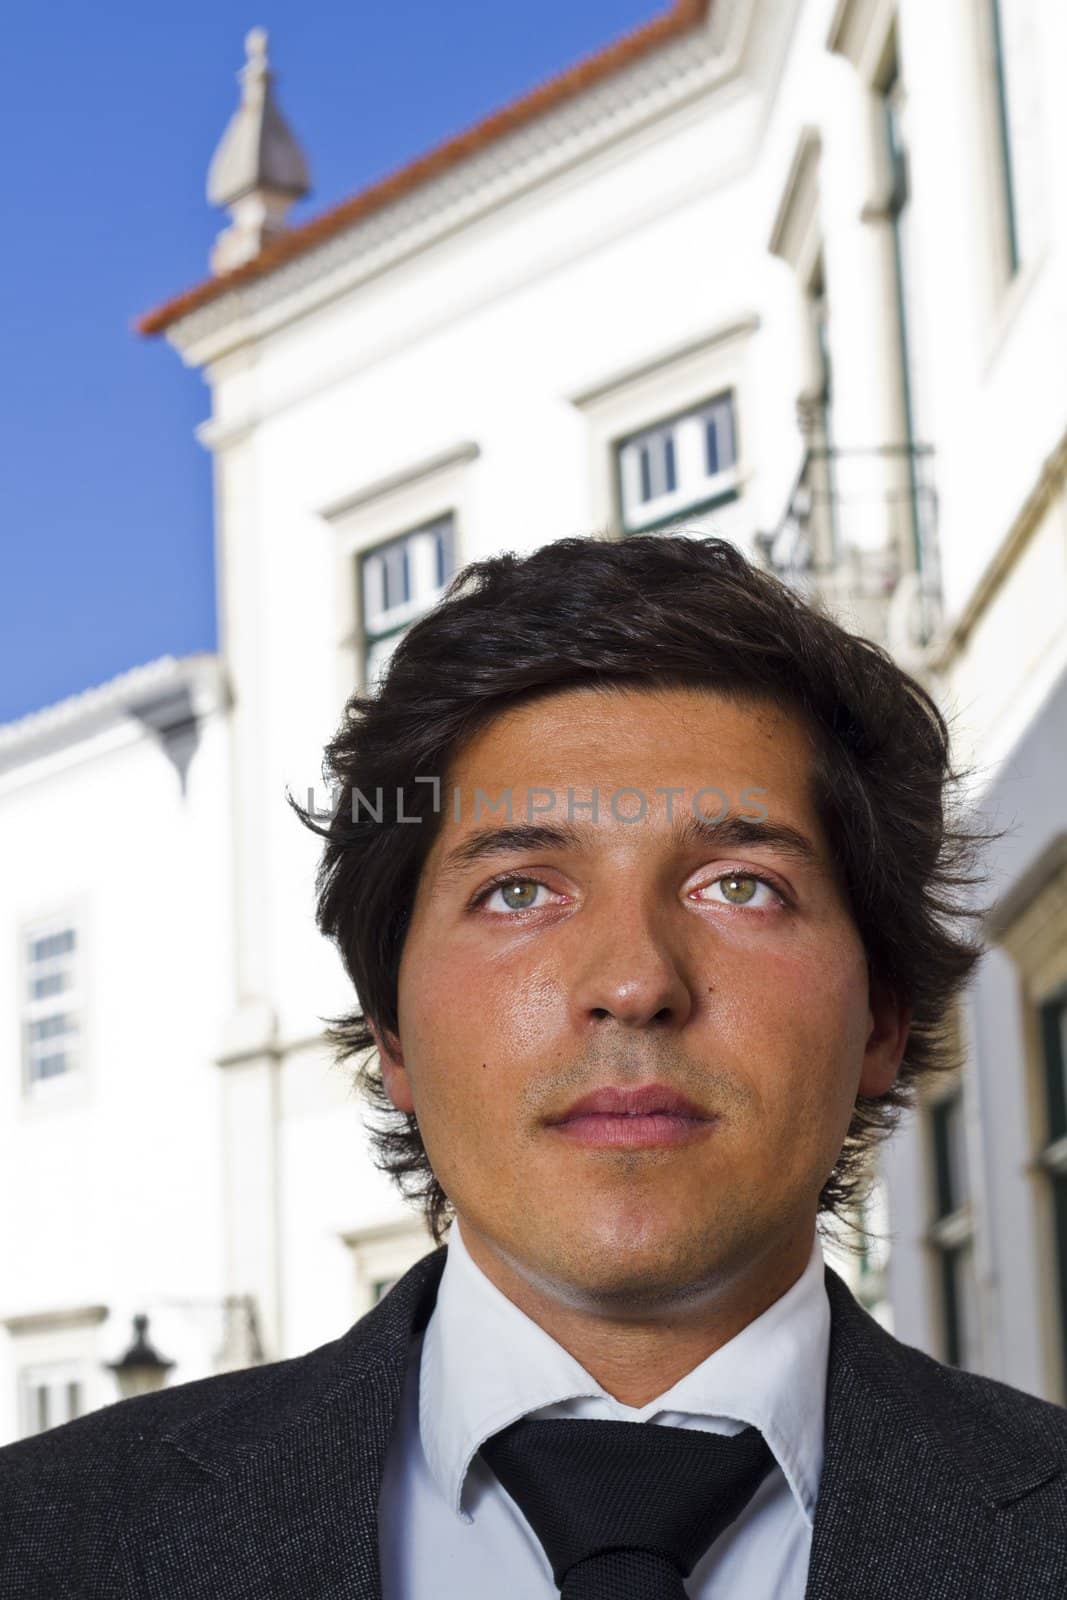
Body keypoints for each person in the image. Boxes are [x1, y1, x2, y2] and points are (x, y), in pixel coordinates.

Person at [2, 533, 1065, 1599]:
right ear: (394, 1033)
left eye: (739, 886)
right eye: (518, 890)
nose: (634, 981)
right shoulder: (43, 1544)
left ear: (880, 1016)